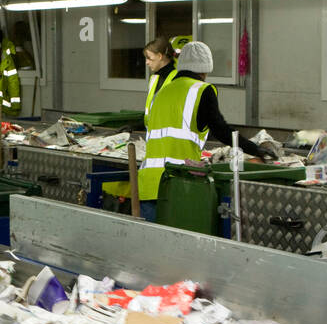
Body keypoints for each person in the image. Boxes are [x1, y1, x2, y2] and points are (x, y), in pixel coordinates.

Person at [137, 41, 266, 223]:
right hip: (179, 182)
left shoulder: (162, 92)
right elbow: (221, 130)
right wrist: (255, 149)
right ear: (204, 70)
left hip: (148, 183)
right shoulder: (201, 90)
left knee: (151, 245)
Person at [106, 38, 179, 209]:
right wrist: (136, 125)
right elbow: (153, 112)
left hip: (168, 149)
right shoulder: (154, 79)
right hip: (154, 146)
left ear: (161, 56)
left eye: (150, 58)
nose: (146, 62)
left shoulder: (177, 80)